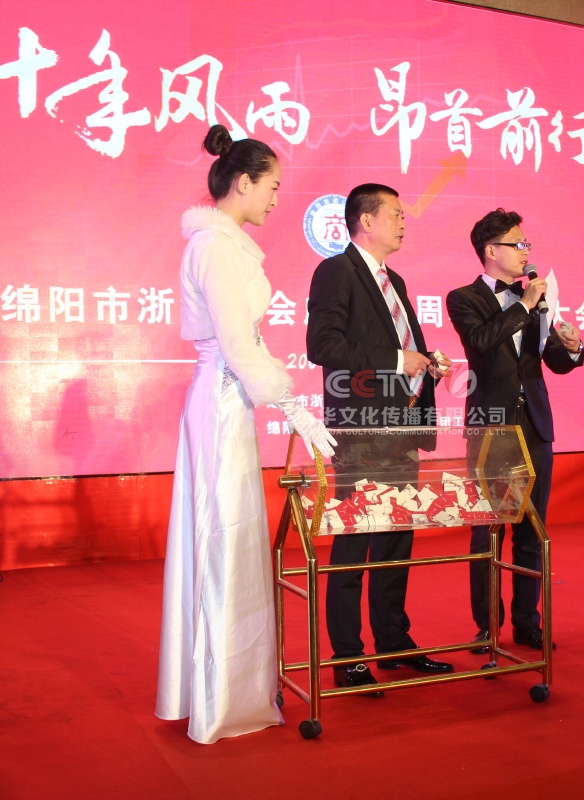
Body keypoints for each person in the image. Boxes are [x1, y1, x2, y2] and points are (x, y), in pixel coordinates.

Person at [157, 124, 336, 744]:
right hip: (222, 399)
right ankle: (218, 701)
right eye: (273, 186)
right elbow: (237, 344)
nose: (277, 199)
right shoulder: (214, 247)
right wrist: (295, 408)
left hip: (230, 400)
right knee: (221, 541)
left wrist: (287, 403)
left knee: (229, 539)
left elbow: (244, 344)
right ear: (243, 182)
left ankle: (226, 692)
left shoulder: (226, 245)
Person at [307, 183, 454, 694]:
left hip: (402, 428)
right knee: (354, 544)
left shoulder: (396, 280)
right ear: (365, 220)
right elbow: (322, 345)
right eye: (395, 213)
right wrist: (396, 360)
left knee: (395, 542)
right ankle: (348, 656)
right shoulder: (336, 271)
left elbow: (401, 347)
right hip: (361, 432)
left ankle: (393, 643)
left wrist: (426, 363)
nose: (403, 221)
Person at [447, 208, 584, 654]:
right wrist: (524, 306)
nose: (526, 252)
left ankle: (528, 623)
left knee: (532, 530)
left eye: (527, 244)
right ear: (492, 251)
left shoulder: (536, 299)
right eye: (518, 244)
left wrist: (572, 347)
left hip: (535, 424)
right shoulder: (464, 298)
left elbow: (550, 361)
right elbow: (482, 343)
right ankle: (488, 627)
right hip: (491, 429)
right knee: (488, 531)